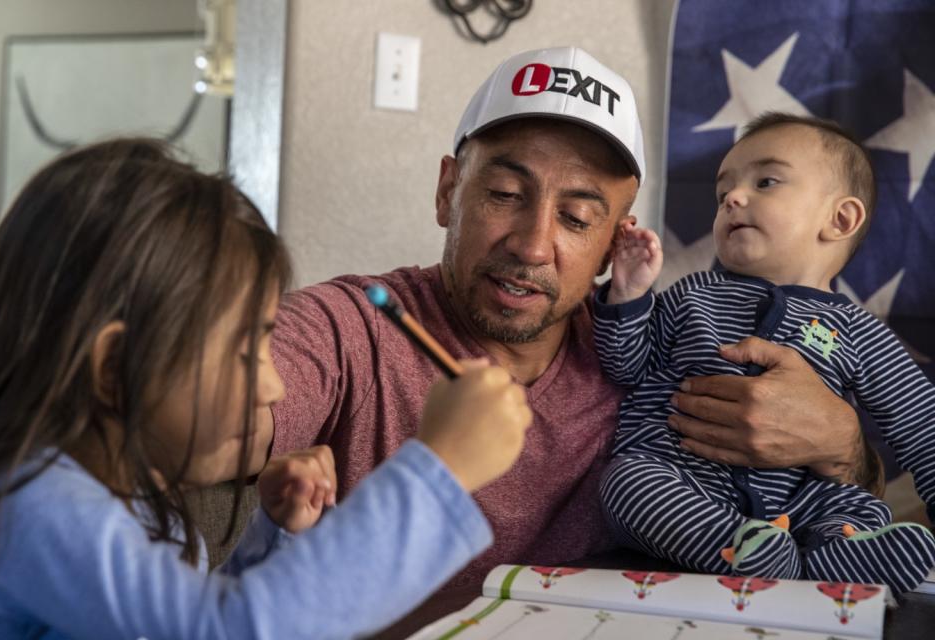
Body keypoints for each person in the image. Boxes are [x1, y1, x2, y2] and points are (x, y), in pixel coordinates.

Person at [267, 48, 884, 589]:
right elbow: (226, 399)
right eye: (505, 195)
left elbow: (801, 497)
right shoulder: (354, 327)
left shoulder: (660, 348)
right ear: (447, 191)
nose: (533, 246)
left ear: (616, 241)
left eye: (578, 219)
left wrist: (845, 448)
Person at [0, 138, 533, 639]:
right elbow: (227, 627)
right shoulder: (28, 505)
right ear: (114, 368)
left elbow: (182, 622)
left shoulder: (116, 498)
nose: (271, 385)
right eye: (245, 351)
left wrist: (270, 536)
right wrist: (440, 469)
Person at [594, 112, 935, 595]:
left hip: (804, 499)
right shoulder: (692, 294)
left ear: (840, 219)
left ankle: (842, 551)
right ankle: (742, 548)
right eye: (721, 194)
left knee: (857, 508)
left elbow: (921, 422)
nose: (732, 198)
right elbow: (624, 365)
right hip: (686, 482)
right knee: (626, 481)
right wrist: (626, 297)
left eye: (766, 181)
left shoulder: (857, 331)